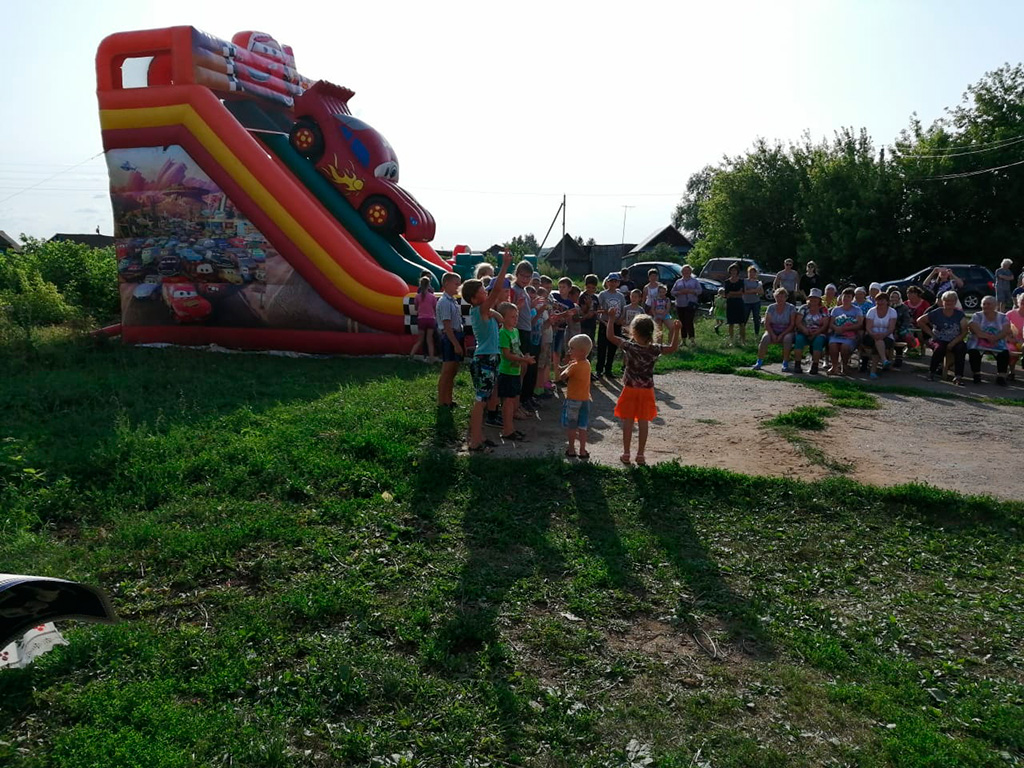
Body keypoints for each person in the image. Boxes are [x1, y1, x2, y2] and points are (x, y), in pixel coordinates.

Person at [605, 308, 681, 465]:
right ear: (651, 332)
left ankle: (626, 453)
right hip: (646, 390)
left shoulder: (629, 346)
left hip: (630, 389)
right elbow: (672, 348)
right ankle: (640, 455)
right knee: (643, 421)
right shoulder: (654, 349)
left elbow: (610, 336)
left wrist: (611, 319)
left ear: (633, 331)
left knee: (628, 421)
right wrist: (676, 331)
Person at [464, 250, 513, 451]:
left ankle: (480, 436)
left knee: (483, 399)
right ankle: (475, 441)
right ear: (474, 298)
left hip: (488, 358)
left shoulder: (483, 310)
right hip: (485, 359)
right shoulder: (481, 309)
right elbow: (497, 289)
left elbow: (499, 317)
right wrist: (505, 265)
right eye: (483, 290)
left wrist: (496, 315)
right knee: (480, 401)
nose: (486, 291)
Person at [497, 301, 535, 441]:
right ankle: (507, 430)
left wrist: (524, 357)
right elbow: (506, 354)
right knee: (507, 402)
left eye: (516, 316)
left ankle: (511, 428)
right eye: (512, 317)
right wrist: (523, 360)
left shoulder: (515, 331)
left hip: (515, 370)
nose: (515, 319)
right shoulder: (503, 333)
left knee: (512, 400)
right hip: (506, 371)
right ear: (503, 318)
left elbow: (516, 350)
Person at [917, 290, 968, 384]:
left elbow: (964, 331)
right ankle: (931, 372)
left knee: (961, 348)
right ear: (942, 301)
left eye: (951, 301)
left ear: (955, 302)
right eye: (946, 300)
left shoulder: (959, 314)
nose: (949, 303)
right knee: (939, 348)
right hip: (939, 339)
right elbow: (920, 321)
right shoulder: (937, 312)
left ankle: (958, 376)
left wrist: (953, 342)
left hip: (955, 339)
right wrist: (932, 334)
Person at [510, 261, 540, 410]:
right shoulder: (513, 290)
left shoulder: (524, 291)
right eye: (523, 276)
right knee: (521, 367)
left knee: (527, 366)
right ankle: (519, 401)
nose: (525, 279)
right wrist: (517, 306)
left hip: (527, 330)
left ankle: (525, 397)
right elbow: (510, 310)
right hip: (519, 330)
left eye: (528, 277)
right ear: (517, 274)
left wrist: (532, 306)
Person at [558, 334, 594, 459]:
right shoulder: (587, 363)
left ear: (581, 351)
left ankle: (571, 449)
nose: (569, 351)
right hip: (585, 400)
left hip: (573, 400)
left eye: (572, 348)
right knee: (583, 426)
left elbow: (562, 376)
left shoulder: (574, 366)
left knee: (572, 426)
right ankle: (583, 450)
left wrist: (564, 367)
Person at [967, 295, 1012, 386]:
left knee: (1004, 353)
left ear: (995, 305)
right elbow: (977, 331)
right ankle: (976, 374)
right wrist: (989, 337)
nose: (986, 306)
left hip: (997, 341)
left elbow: (1005, 331)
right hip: (978, 341)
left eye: (989, 304)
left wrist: (996, 338)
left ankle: (1001, 377)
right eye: (984, 304)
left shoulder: (1003, 317)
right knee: (974, 351)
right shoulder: (977, 316)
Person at [436, 272, 465, 407]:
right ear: (446, 284)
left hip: (456, 335)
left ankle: (448, 399)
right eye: (456, 284)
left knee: (453, 371)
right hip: (450, 337)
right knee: (447, 371)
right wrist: (455, 344)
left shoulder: (452, 300)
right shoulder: (444, 302)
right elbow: (447, 326)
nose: (458, 286)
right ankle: (442, 400)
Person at [753, 288, 797, 371]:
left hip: (786, 330)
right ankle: (759, 362)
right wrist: (772, 334)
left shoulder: (791, 308)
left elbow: (792, 324)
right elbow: (767, 323)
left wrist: (781, 335)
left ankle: (785, 363)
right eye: (778, 297)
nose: (780, 299)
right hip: (772, 329)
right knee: (765, 339)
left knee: (787, 339)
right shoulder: (771, 307)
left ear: (786, 297)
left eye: (782, 297)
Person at [793, 288, 831, 374]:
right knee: (799, 339)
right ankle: (797, 364)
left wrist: (816, 333)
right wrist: (805, 330)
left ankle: (815, 365)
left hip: (819, 332)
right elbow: (798, 322)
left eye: (816, 298)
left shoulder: (823, 310)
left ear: (819, 300)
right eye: (811, 298)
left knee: (818, 341)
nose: (813, 300)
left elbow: (825, 325)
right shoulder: (803, 308)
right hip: (804, 331)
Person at [596, 273, 627, 377]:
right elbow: (598, 309)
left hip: (616, 324)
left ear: (618, 283)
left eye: (615, 281)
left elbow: (623, 309)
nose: (613, 283)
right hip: (605, 323)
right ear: (607, 282)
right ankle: (599, 369)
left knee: (612, 347)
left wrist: (621, 319)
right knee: (602, 347)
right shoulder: (603, 294)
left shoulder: (620, 296)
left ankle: (608, 369)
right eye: (611, 281)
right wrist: (606, 316)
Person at [828, 287, 864, 375]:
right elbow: (831, 323)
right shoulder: (836, 310)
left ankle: (844, 367)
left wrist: (845, 328)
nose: (846, 298)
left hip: (850, 335)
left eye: (848, 297)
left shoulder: (857, 310)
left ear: (852, 299)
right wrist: (836, 328)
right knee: (832, 345)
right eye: (844, 296)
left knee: (845, 347)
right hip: (837, 334)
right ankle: (834, 367)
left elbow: (859, 324)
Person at [862, 291, 897, 379]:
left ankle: (873, 371)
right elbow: (868, 327)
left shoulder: (892, 312)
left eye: (882, 300)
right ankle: (884, 360)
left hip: (887, 336)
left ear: (887, 301)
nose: (880, 302)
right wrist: (874, 334)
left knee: (878, 344)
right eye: (878, 300)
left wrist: (883, 335)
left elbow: (891, 328)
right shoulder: (871, 311)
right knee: (878, 342)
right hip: (871, 335)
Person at [670, 264, 701, 345]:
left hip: (691, 304)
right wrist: (680, 292)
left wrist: (691, 291)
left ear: (691, 272)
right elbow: (672, 292)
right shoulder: (678, 282)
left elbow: (700, 291)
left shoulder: (695, 281)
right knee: (682, 322)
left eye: (688, 271)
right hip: (680, 304)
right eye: (684, 271)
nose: (686, 272)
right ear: (682, 272)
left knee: (689, 321)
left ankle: (692, 339)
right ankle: (683, 340)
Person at [410, 274, 438, 361]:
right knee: (430, 340)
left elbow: (416, 308)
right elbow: (435, 308)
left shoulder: (417, 296)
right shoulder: (432, 296)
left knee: (420, 340)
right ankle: (431, 359)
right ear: (429, 285)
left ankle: (411, 356)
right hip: (431, 319)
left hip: (421, 319)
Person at [889, 289, 918, 367]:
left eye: (896, 297)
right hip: (889, 328)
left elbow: (906, 320)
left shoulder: (904, 307)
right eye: (892, 297)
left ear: (899, 298)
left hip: (900, 329)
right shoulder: (888, 307)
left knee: (898, 338)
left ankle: (898, 358)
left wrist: (899, 330)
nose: (894, 299)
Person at [723, 264, 746, 344]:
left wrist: (732, 293)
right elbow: (726, 294)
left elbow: (741, 293)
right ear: (729, 271)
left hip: (739, 303)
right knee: (731, 323)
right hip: (730, 303)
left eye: (735, 270)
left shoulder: (741, 281)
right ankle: (731, 341)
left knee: (741, 323)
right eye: (732, 270)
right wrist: (736, 293)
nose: (733, 272)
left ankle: (743, 340)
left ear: (737, 271)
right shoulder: (727, 282)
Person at [1006, 292, 1024, 381]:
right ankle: (1012, 371)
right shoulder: (1010, 314)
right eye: (1022, 301)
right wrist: (1011, 339)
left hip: (1023, 342)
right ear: (1018, 302)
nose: (1023, 303)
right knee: (1011, 349)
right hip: (1011, 340)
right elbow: (1002, 329)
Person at [742, 265, 764, 337]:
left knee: (756, 318)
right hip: (746, 302)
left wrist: (751, 290)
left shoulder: (758, 282)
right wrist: (755, 290)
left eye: (753, 272)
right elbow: (744, 291)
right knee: (744, 318)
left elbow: (761, 292)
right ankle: (741, 334)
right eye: (750, 272)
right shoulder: (745, 281)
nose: (751, 274)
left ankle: (756, 334)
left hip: (756, 302)